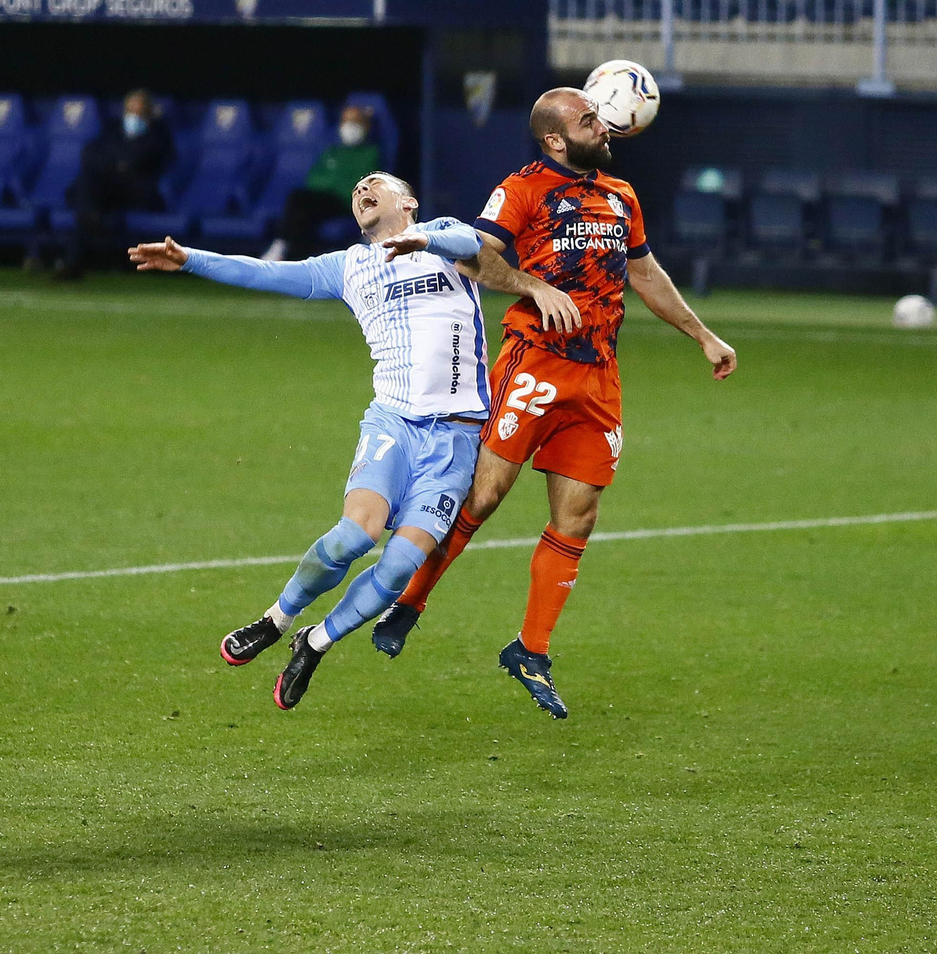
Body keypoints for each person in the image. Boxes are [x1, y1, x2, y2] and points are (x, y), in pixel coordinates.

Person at [129, 173, 579, 710]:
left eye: (375, 185)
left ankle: (315, 642)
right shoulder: (349, 267)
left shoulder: (444, 239)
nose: (362, 192)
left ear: (407, 202)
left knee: (396, 569)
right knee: (352, 537)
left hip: (457, 439)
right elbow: (269, 273)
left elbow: (470, 244)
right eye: (356, 191)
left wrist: (425, 239)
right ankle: (277, 619)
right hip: (393, 425)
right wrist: (192, 260)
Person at [370, 87, 738, 719]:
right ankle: (411, 601)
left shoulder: (620, 196)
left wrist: (702, 335)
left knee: (579, 514)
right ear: (555, 140)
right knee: (483, 496)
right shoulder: (522, 189)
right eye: (590, 119)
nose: (606, 125)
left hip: (597, 376)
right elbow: (481, 262)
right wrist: (535, 285)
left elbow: (644, 274)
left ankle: (530, 649)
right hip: (534, 358)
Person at [59, 88, 173, 280]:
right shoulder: (112, 129)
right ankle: (91, 228)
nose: (133, 115)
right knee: (88, 186)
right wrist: (116, 166)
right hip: (106, 188)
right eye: (130, 110)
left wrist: (120, 165)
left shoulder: (158, 134)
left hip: (136, 190)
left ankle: (76, 257)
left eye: (139, 111)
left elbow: (148, 161)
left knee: (86, 204)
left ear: (148, 112)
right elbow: (91, 154)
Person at [260, 105, 380, 263]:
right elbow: (313, 179)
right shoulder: (332, 151)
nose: (349, 127)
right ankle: (293, 255)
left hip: (345, 203)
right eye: (346, 122)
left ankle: (284, 247)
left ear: (366, 126)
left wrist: (331, 181)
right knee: (300, 206)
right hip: (324, 201)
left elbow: (356, 186)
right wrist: (335, 181)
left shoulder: (371, 154)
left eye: (355, 122)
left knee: (300, 202)